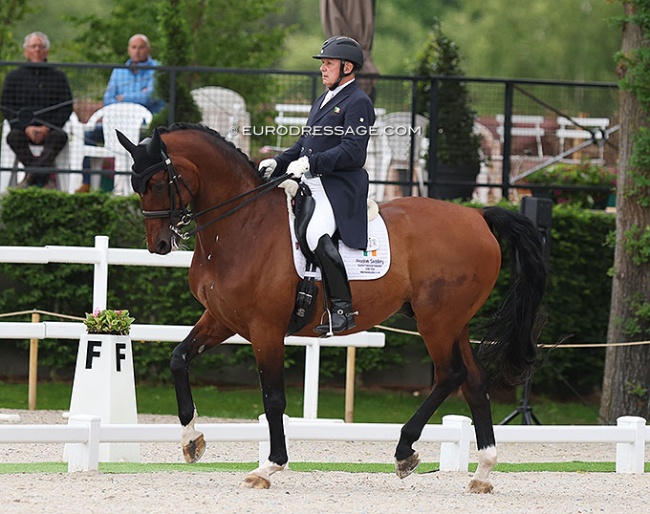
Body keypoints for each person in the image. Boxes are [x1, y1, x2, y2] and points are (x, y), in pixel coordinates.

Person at [258, 36, 375, 336]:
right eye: (323, 63)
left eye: (328, 63)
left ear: (347, 67)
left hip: (337, 187)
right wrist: (280, 162)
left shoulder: (358, 101)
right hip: (311, 183)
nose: (323, 69)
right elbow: (304, 143)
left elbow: (353, 151)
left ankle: (342, 310)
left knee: (316, 234)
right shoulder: (324, 98)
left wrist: (312, 164)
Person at [76, 33, 164, 193]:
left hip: (143, 128)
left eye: (141, 47)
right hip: (117, 125)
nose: (137, 51)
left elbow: (149, 97)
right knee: (88, 135)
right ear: (129, 50)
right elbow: (108, 98)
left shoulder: (157, 69)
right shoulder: (119, 71)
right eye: (134, 47)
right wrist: (135, 96)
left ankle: (143, 187)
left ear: (148, 49)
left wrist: (122, 97)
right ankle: (87, 182)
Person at [1, 31, 73, 188]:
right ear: (26, 51)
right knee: (13, 137)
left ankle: (31, 175)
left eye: (41, 46)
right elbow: (7, 106)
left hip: (51, 129)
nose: (37, 50)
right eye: (33, 46)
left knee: (60, 137)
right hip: (23, 129)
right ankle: (43, 178)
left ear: (46, 51)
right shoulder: (13, 77)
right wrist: (26, 128)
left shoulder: (58, 76)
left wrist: (47, 127)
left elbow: (66, 106)